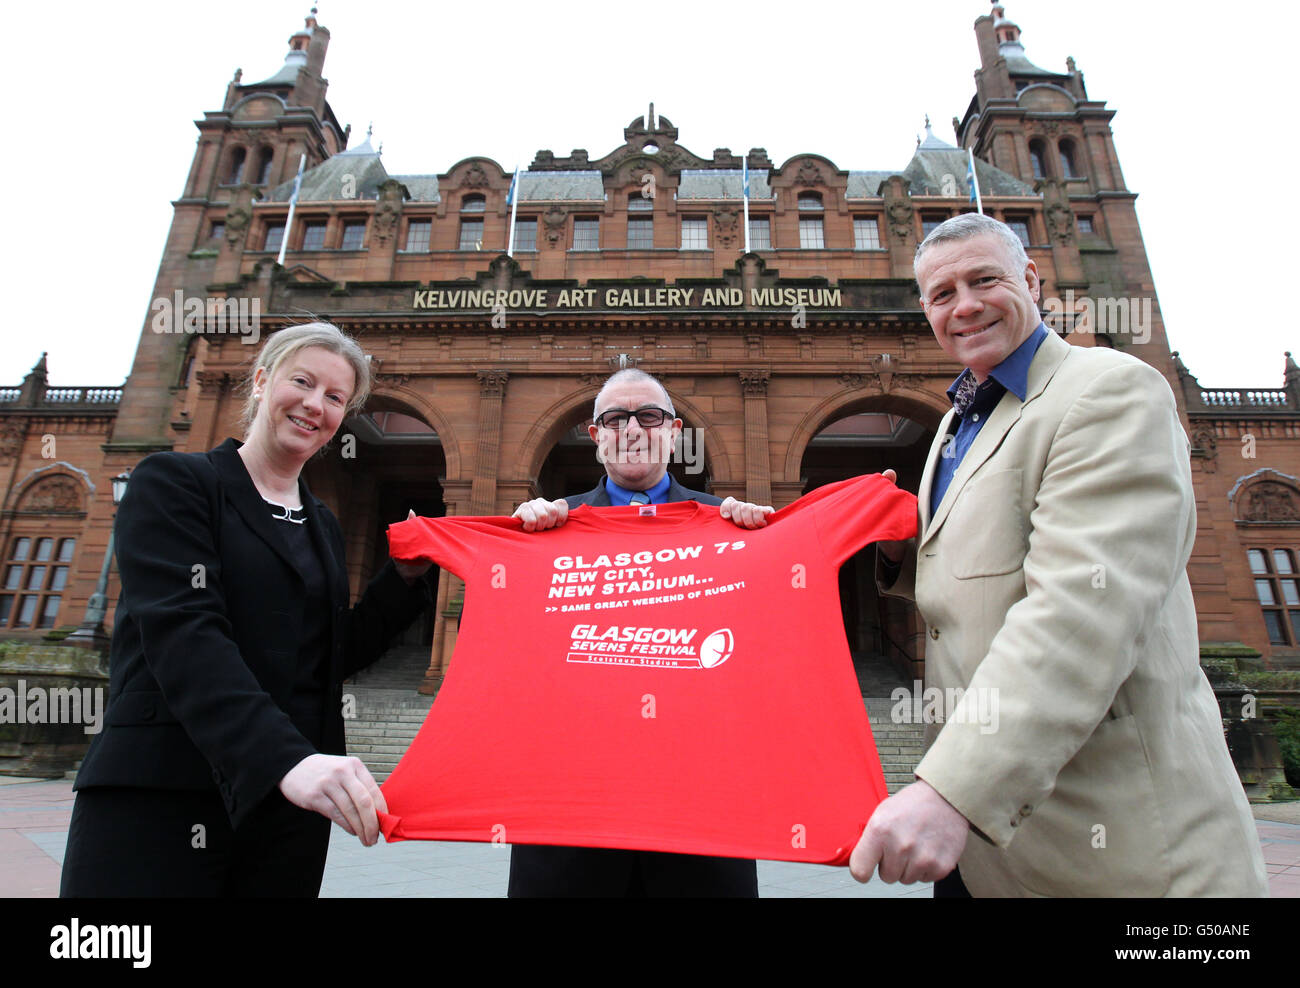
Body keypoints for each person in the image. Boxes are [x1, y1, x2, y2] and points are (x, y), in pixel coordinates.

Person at [851, 214, 1267, 897]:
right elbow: (978, 577)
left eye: (984, 280)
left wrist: (951, 792)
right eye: (941, 293)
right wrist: (884, 547)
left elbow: (1083, 611)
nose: (965, 305)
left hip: (1112, 849)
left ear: (1032, 280)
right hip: (985, 853)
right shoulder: (958, 422)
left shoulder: (1108, 390)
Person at [61, 322, 432, 897]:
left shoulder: (321, 525)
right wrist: (286, 759)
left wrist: (403, 577)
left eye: (335, 398)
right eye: (302, 382)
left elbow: (331, 654)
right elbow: (185, 633)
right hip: (164, 793)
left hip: (284, 817)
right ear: (261, 381)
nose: (315, 404)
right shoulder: (176, 483)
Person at [508, 367, 773, 896]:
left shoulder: (728, 527)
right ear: (596, 435)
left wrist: (763, 546)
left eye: (649, 417)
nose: (633, 429)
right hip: (571, 813)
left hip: (699, 808)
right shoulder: (547, 529)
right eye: (615, 419)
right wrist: (518, 550)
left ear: (674, 433)